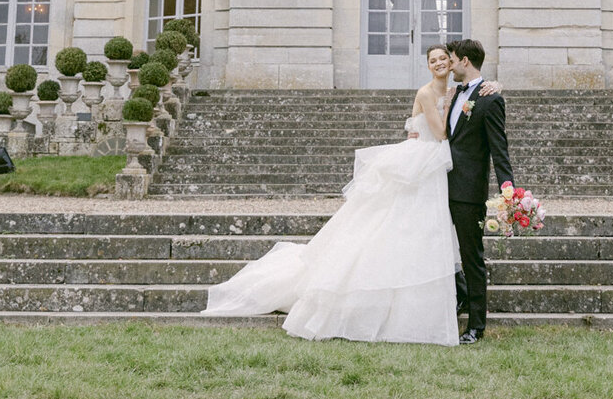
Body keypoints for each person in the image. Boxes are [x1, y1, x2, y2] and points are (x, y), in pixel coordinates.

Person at [200, 44, 499, 344]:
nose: (438, 64)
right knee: (402, 228)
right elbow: (442, 134)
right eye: (432, 60)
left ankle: (450, 297)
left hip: (439, 171)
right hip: (423, 163)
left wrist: (492, 86)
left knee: (427, 234)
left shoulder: (460, 91)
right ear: (428, 65)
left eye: (442, 59)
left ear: (454, 62)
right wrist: (444, 107)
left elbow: (473, 100)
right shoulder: (428, 94)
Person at [446, 37, 514, 343]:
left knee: (471, 256)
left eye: (451, 59)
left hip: (467, 191)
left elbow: (500, 149)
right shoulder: (451, 94)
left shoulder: (489, 98)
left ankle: (476, 325)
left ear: (464, 61)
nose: (447, 65)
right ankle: (461, 295)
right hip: (438, 187)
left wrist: (508, 191)